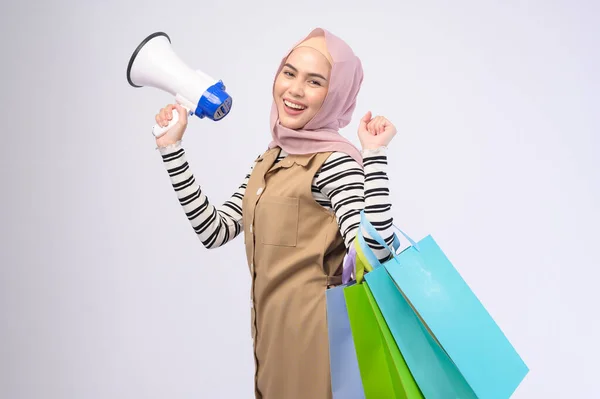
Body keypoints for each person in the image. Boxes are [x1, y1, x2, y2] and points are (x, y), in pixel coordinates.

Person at [153, 27, 398, 399]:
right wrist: (172, 150)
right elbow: (214, 230)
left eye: (315, 82)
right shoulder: (272, 158)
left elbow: (376, 254)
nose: (295, 90)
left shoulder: (334, 163)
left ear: (335, 95)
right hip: (272, 347)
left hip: (320, 351)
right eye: (289, 72)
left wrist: (374, 156)